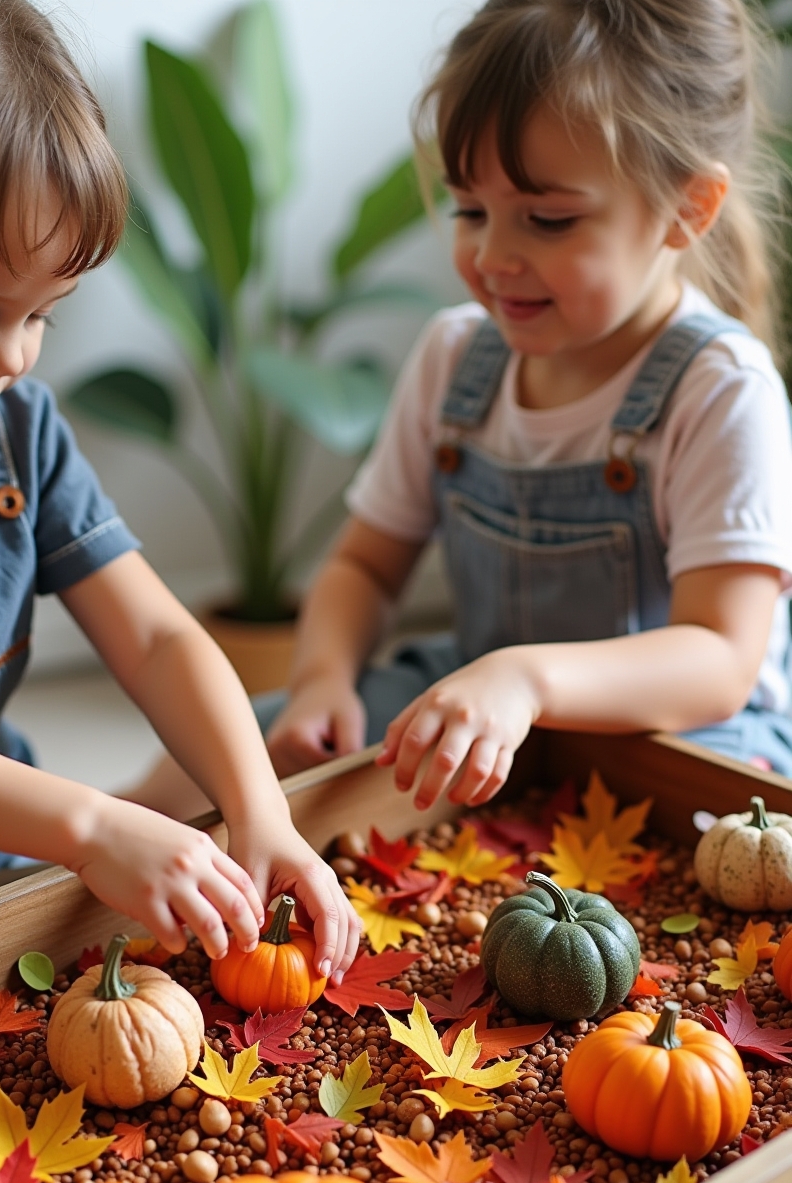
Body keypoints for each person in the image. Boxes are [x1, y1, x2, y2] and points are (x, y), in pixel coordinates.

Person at [0, 0, 357, 981]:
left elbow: (159, 636)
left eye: (41, 312)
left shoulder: (19, 432)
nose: (9, 357)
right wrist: (89, 823)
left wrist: (261, 813)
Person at [257, 0, 792, 815]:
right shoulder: (453, 357)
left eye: (548, 219)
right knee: (239, 748)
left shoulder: (720, 386)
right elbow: (364, 565)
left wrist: (528, 677)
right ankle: (27, 878)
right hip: (487, 696)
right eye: (470, 210)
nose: (492, 256)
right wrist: (322, 680)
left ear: (688, 209)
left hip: (687, 734)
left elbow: (720, 658)